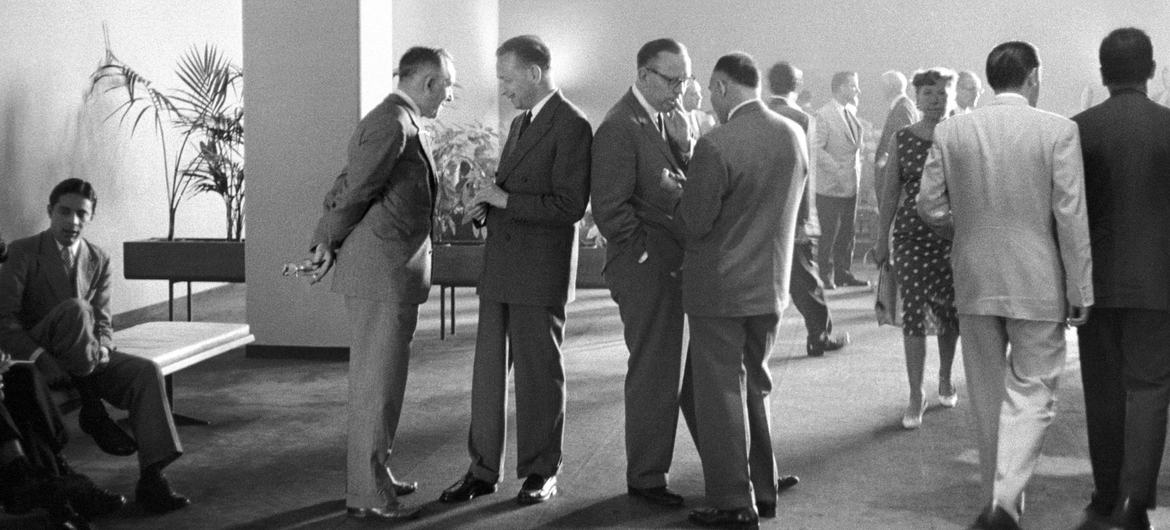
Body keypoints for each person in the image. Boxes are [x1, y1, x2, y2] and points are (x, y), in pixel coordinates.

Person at [918, 41, 1093, 529]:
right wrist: (1081, 287)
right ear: (1033, 76)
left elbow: (928, 207)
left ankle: (999, 504)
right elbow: (1069, 215)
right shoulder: (1059, 130)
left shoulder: (953, 131)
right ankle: (1004, 501)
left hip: (973, 276)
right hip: (1039, 280)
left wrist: (968, 230)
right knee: (1035, 389)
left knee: (987, 394)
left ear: (993, 78)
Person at [304, 46, 455, 521]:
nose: (446, 98)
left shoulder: (399, 122)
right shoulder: (392, 122)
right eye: (446, 89)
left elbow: (348, 181)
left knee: (384, 384)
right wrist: (324, 241)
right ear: (428, 82)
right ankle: (367, 491)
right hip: (381, 275)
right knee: (376, 386)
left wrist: (328, 235)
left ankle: (373, 473)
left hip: (390, 274)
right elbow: (356, 189)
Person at [439, 35, 591, 506]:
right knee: (486, 379)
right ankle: (482, 470)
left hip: (539, 273)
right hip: (502, 269)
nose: (502, 88)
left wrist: (505, 199)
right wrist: (488, 204)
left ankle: (542, 471)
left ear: (533, 72)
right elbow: (513, 191)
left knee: (539, 379)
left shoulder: (573, 125)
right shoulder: (522, 122)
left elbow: (570, 206)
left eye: (506, 78)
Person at [0, 178, 190, 515]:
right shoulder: (22, 251)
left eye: (81, 214)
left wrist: (103, 347)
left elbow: (104, 321)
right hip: (39, 358)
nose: (72, 221)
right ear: (49, 212)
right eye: (64, 212)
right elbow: (6, 321)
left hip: (83, 359)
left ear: (90, 218)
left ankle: (152, 476)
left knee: (145, 372)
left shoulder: (98, 258)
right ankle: (93, 408)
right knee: (76, 309)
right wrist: (40, 357)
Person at [681, 51, 806, 528]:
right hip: (769, 285)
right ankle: (764, 484)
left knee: (718, 394)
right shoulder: (793, 133)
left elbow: (694, 221)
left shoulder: (715, 144)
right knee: (756, 384)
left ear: (719, 87)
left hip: (720, 290)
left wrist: (679, 188)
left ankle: (735, 501)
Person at [590, 38, 699, 507]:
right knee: (654, 373)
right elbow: (609, 208)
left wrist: (683, 145)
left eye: (685, 80)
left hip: (668, 265)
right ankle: (647, 476)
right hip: (645, 270)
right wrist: (643, 259)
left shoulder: (656, 119)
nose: (679, 89)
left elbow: (674, 185)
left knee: (676, 372)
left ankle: (728, 463)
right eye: (672, 80)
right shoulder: (619, 126)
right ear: (643, 76)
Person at [1073, 27, 1170, 530]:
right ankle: (1135, 503)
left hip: (1095, 284)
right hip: (1160, 284)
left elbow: (1064, 215)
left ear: (1103, 72)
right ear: (1151, 72)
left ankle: (1105, 494)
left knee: (1102, 389)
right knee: (1150, 388)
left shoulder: (1077, 129)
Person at [873, 68, 961, 430]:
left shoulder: (959, 136)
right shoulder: (902, 137)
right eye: (928, 93)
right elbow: (891, 191)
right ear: (917, 97)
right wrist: (882, 239)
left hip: (950, 236)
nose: (935, 99)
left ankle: (944, 376)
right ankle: (915, 394)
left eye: (942, 93)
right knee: (913, 312)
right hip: (909, 237)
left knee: (948, 312)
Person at [766, 61, 849, 358]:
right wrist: (805, 219)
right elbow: (806, 171)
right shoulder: (801, 118)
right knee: (805, 278)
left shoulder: (760, 113)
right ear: (796, 86)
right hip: (792, 213)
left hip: (760, 213)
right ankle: (819, 334)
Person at [812, 71, 868, 289]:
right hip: (831, 187)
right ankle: (825, 274)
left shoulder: (849, 112)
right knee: (829, 232)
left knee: (847, 232)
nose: (857, 90)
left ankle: (843, 272)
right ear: (841, 87)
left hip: (850, 185)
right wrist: (837, 170)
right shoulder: (824, 114)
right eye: (853, 86)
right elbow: (816, 148)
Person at [874, 70, 918, 198]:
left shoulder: (902, 108)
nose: (881, 90)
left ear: (891, 87)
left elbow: (903, 143)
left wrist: (884, 162)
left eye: (883, 86)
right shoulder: (903, 106)